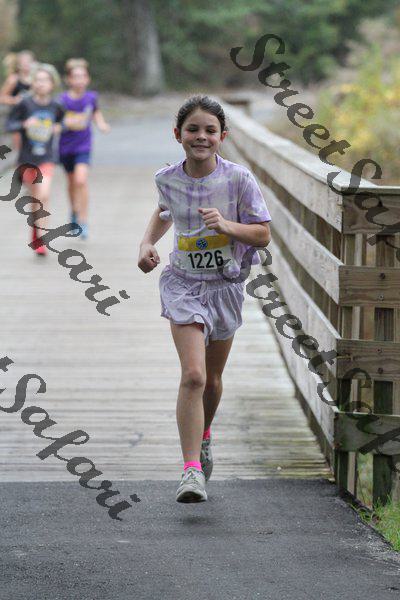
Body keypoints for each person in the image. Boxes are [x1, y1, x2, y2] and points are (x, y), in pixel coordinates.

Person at [138, 95, 272, 503]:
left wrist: (228, 226)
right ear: (177, 134)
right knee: (194, 375)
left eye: (210, 130)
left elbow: (263, 234)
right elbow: (164, 210)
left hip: (224, 286)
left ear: (222, 136)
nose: (201, 136)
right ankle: (191, 470)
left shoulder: (238, 180)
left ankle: (205, 433)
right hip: (182, 284)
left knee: (212, 380)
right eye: (193, 129)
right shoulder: (167, 178)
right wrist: (146, 243)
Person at [6, 63, 65, 256]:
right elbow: (9, 124)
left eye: (45, 80)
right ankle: (36, 232)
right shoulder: (24, 104)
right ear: (32, 82)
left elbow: (62, 121)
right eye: (38, 80)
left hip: (46, 157)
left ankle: (41, 238)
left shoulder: (56, 106)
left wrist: (59, 127)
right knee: (36, 198)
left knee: (44, 194)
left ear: (52, 83)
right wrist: (24, 124)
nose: (41, 83)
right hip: (27, 159)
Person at [57, 58, 110, 239]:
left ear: (87, 79)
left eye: (83, 76)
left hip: (83, 145)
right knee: (72, 183)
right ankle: (74, 211)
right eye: (76, 76)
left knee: (81, 180)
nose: (79, 80)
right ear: (68, 79)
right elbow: (56, 120)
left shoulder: (91, 97)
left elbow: (96, 112)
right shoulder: (62, 100)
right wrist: (62, 124)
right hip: (65, 147)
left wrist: (101, 124)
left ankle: (83, 220)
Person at [0, 50, 35, 151]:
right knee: (16, 147)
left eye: (29, 62)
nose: (26, 64)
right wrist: (15, 100)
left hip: (29, 115)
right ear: (18, 64)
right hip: (15, 116)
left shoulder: (36, 79)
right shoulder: (14, 79)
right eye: (24, 62)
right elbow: (1, 98)